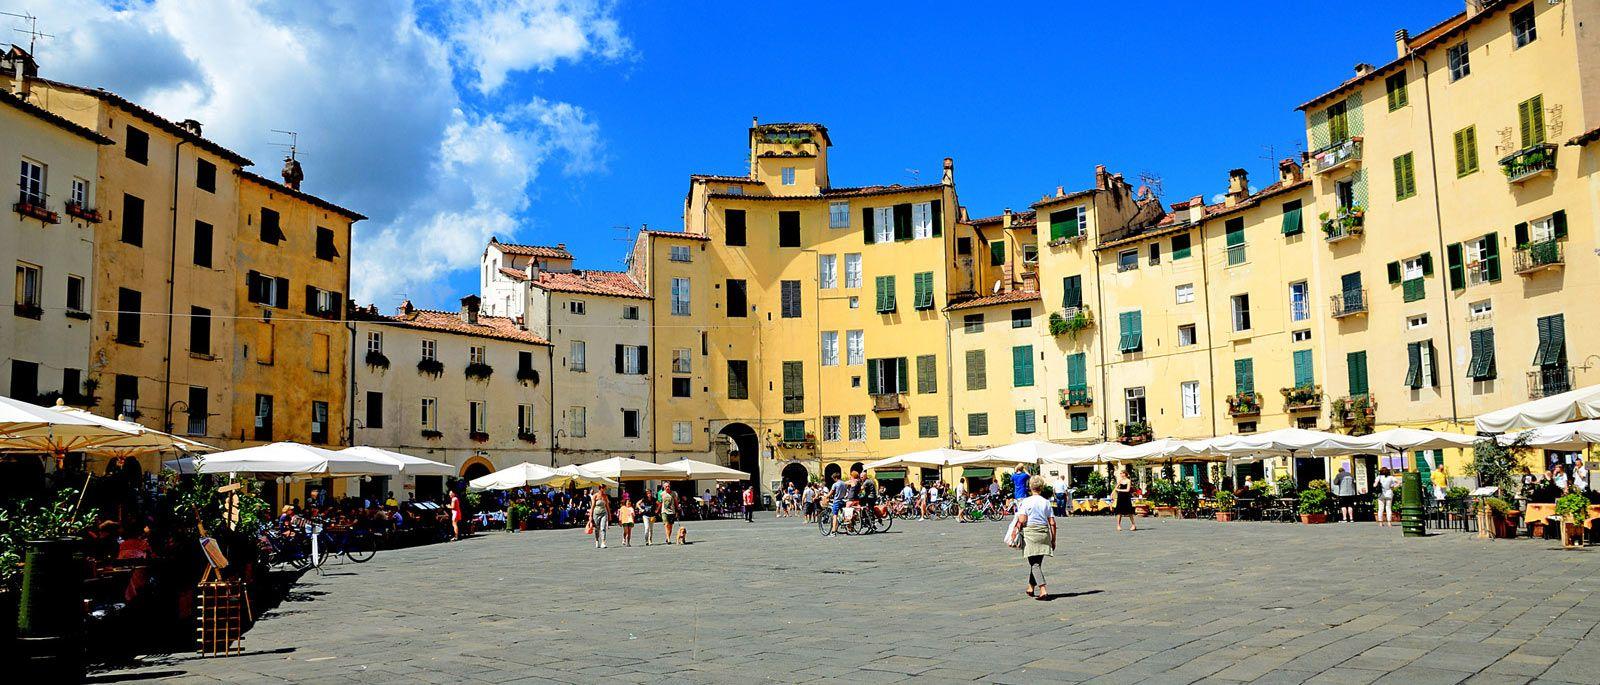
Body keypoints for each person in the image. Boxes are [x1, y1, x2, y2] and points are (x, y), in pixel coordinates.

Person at [1011, 478, 1057, 600]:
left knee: (1034, 563)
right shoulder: (1046, 502)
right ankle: (1031, 587)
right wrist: (1053, 539)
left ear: (1030, 487)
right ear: (1041, 488)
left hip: (1031, 533)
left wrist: (1015, 529)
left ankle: (1043, 589)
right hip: (1043, 533)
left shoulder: (1026, 501)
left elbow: (1022, 520)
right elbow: (1052, 522)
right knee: (1037, 562)